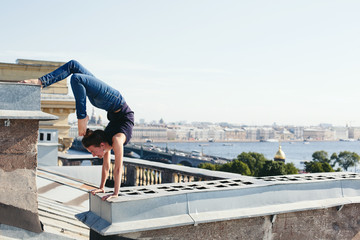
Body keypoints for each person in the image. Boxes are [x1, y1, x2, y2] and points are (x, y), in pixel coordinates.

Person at [20, 60, 134, 201]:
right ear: (102, 146)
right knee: (75, 73)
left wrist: (108, 190)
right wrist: (110, 190)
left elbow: (108, 167)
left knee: (75, 71)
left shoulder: (106, 142)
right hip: (114, 101)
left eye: (91, 151)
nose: (93, 155)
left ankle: (42, 83)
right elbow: (116, 168)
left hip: (105, 103)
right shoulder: (116, 140)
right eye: (92, 152)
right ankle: (80, 115)